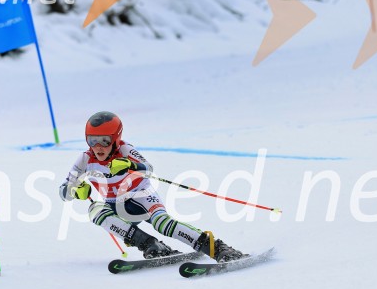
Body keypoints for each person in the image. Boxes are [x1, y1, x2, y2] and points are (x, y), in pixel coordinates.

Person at [59, 111, 245, 262]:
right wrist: (75, 191)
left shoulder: (125, 150)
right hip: (115, 206)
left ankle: (217, 248)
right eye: (92, 140)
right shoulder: (85, 159)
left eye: (105, 141)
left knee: (162, 224)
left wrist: (130, 165)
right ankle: (151, 245)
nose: (98, 146)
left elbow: (148, 168)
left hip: (141, 198)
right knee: (95, 210)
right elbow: (63, 190)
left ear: (115, 139)